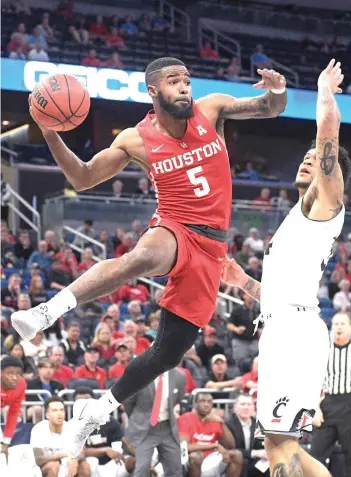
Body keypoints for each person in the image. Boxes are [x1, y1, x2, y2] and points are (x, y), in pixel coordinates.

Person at [12, 56, 287, 457]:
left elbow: (268, 107)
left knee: (170, 352)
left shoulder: (211, 109)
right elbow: (83, 177)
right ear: (153, 90)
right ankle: (44, 312)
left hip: (213, 247)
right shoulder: (134, 139)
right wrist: (51, 133)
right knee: (143, 257)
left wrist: (277, 90)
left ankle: (97, 410)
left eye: (187, 81)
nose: (184, 88)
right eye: (174, 81)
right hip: (175, 225)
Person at [221, 59, 351, 475]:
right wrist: (242, 280)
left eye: (316, 160)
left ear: (333, 175)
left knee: (280, 449)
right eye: (305, 156)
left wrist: (323, 89)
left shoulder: (325, 203)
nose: (307, 161)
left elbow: (328, 132)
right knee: (285, 447)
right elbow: (281, 294)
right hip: (287, 326)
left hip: (294, 334)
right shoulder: (297, 217)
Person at [310, 312, 351, 476]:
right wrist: (314, 407)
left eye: (343, 324)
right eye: (336, 324)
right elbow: (313, 382)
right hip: (327, 405)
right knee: (315, 455)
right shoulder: (322, 351)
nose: (339, 327)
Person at [123, 368, 186, 476]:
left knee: (175, 468)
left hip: (167, 427)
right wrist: (138, 420)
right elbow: (129, 402)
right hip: (144, 429)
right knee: (142, 469)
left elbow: (178, 398)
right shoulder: (139, 375)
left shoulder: (179, 376)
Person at [178, 392, 242, 477]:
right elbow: (185, 447)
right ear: (195, 404)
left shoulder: (214, 420)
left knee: (237, 455)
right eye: (202, 401)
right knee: (196, 456)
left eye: (209, 402)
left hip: (211, 457)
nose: (206, 404)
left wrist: (221, 423)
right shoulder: (185, 418)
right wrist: (215, 445)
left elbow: (231, 446)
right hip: (191, 460)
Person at [75, 387, 136, 477]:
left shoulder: (109, 421)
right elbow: (80, 453)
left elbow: (119, 444)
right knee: (85, 466)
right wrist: (105, 450)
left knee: (134, 463)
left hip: (111, 463)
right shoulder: (73, 425)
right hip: (88, 462)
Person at [30, 396, 91, 477]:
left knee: (85, 466)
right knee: (53, 466)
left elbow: (82, 453)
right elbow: (38, 459)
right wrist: (63, 455)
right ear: (47, 415)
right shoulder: (38, 429)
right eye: (54, 410)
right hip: (46, 467)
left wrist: (75, 459)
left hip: (67, 465)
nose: (59, 413)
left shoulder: (71, 428)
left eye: (61, 410)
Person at [226, 393, 268, 477]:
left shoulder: (258, 423)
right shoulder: (228, 424)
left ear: (253, 407)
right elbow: (231, 450)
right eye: (242, 404)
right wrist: (254, 453)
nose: (246, 407)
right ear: (235, 407)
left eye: (249, 404)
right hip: (236, 462)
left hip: (256, 461)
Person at [0, 356, 26, 455]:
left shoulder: (21, 384)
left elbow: (13, 413)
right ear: (1, 372)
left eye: (17, 374)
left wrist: (6, 441)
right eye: (10, 373)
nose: (14, 377)